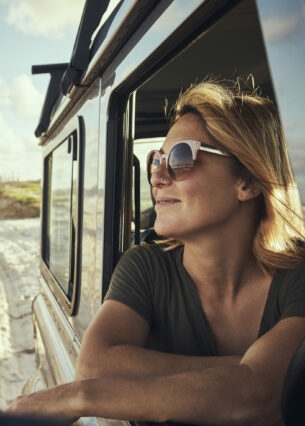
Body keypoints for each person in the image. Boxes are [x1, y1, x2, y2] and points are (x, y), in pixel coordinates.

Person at [7, 80, 305, 425]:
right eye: (155, 159)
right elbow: (94, 365)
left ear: (249, 181)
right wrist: (251, 368)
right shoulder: (145, 266)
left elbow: (260, 396)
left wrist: (80, 395)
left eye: (181, 157)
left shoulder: (296, 276)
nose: (158, 177)